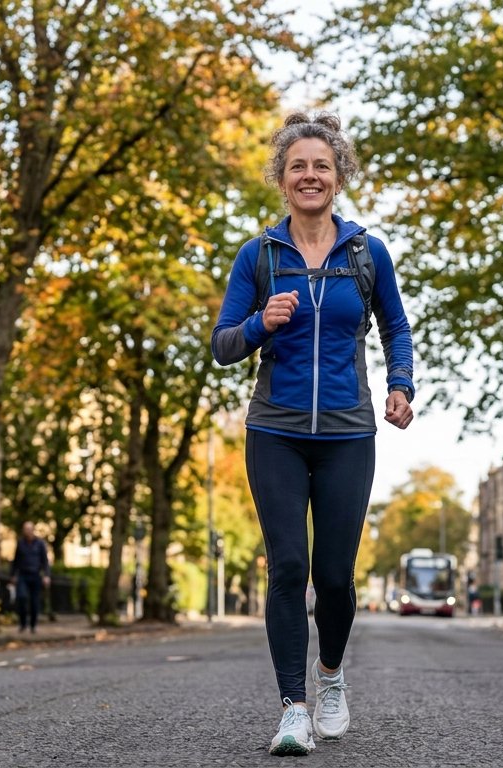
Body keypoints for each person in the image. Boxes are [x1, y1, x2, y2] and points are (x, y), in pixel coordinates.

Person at [211, 111, 416, 756]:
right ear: (282, 176)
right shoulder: (259, 255)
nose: (309, 176)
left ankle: (330, 678)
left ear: (338, 177)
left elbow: (397, 328)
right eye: (297, 165)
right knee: (286, 568)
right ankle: (293, 707)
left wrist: (401, 386)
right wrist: (260, 325)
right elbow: (223, 345)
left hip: (350, 432)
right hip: (275, 428)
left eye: (321, 166)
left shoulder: (366, 252)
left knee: (332, 575)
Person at [12, 521, 50, 633]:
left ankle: (33, 625)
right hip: (23, 575)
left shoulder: (40, 544)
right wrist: (13, 575)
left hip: (35, 575)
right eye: (25, 529)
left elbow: (45, 561)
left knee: (34, 602)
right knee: (22, 598)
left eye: (29, 529)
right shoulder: (20, 543)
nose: (27, 531)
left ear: (33, 530)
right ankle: (23, 624)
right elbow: (16, 561)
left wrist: (46, 575)